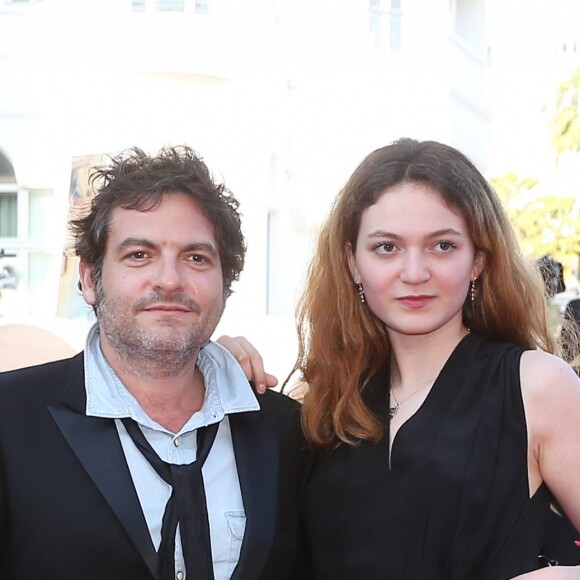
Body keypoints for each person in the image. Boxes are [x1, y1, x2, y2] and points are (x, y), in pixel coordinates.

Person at [222, 138, 580, 579]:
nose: (414, 273)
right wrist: (211, 367)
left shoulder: (536, 386)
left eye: (442, 246)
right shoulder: (325, 400)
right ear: (353, 263)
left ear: (478, 261)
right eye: (387, 247)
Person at [0, 145, 308, 579]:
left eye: (196, 258)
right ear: (89, 279)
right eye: (139, 255)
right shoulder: (11, 419)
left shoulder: (287, 431)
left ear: (226, 282)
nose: (169, 280)